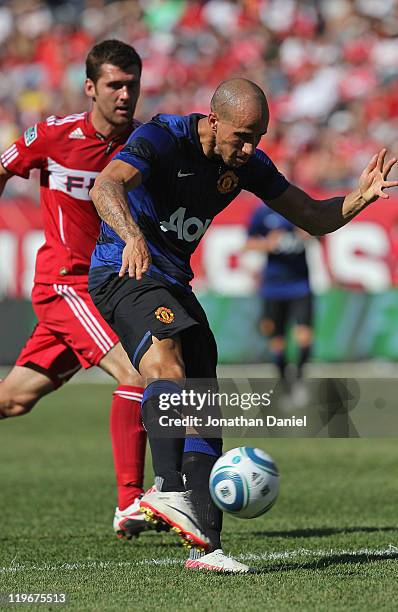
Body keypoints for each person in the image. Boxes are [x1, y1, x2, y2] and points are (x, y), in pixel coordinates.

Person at [88, 78, 397, 572]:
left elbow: (313, 216)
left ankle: (206, 549)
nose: (250, 148)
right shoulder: (163, 137)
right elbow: (106, 184)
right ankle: (167, 489)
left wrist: (360, 197)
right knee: (166, 368)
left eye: (259, 137)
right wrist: (131, 236)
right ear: (213, 120)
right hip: (125, 270)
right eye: (242, 136)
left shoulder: (247, 163)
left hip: (171, 282)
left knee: (206, 401)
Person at [0, 40, 151, 540]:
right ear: (91, 87)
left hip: (107, 291)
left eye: (131, 84)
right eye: (114, 84)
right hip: (66, 285)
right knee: (136, 373)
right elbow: (3, 166)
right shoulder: (53, 135)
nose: (124, 94)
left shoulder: (142, 146)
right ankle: (130, 503)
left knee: (14, 400)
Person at [245, 204, 314, 395]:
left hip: (300, 285)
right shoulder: (262, 213)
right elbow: (247, 243)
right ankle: (285, 384)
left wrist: (309, 232)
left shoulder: (299, 206)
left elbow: (321, 232)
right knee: (277, 341)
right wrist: (267, 244)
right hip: (273, 288)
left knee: (304, 336)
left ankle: (299, 377)